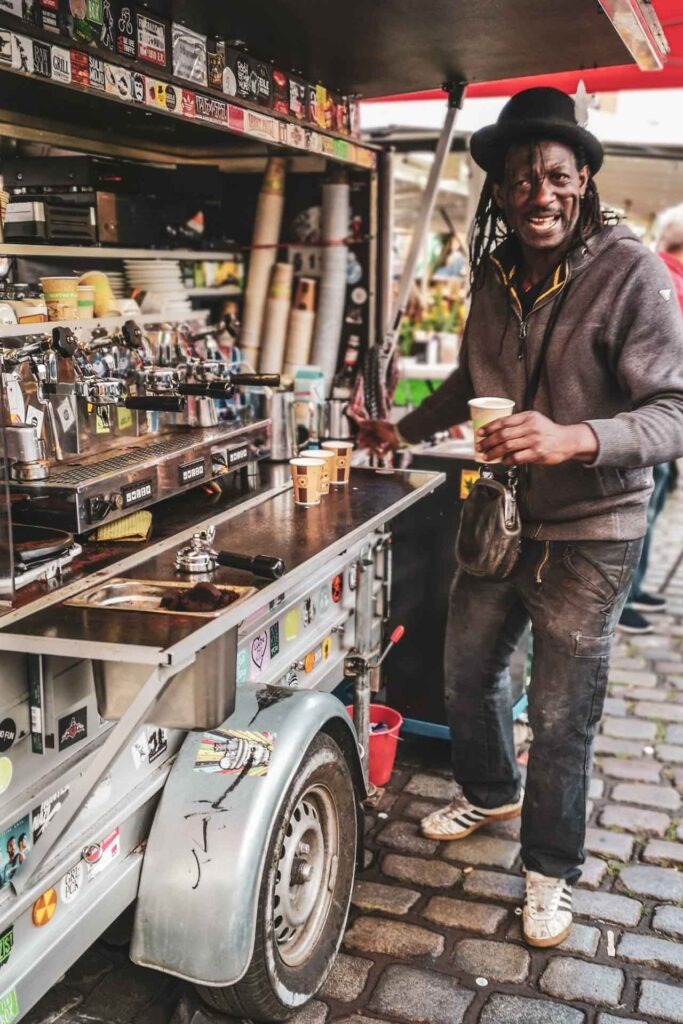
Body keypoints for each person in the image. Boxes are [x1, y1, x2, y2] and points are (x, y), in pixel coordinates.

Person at [358, 88, 683, 948]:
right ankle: (491, 790)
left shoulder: (631, 271)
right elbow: (471, 384)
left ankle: (548, 871)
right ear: (499, 193)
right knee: (466, 675)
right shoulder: (494, 272)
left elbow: (672, 411)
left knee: (563, 713)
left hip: (593, 534)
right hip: (501, 519)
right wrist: (403, 429)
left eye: (554, 176)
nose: (538, 193)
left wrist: (574, 437)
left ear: (582, 181)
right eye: (518, 180)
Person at [618, 203, 683, 633]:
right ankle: (622, 598)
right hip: (647, 416)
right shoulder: (664, 277)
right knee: (643, 501)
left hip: (652, 416)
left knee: (656, 495)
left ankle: (634, 587)